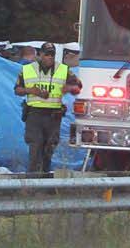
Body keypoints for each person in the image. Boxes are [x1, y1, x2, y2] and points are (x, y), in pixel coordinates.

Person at [14, 42, 81, 173]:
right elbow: (17, 90)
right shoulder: (27, 69)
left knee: (49, 147)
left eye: (52, 54)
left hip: (54, 115)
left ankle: (44, 178)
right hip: (34, 114)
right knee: (35, 145)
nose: (50, 57)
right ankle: (32, 179)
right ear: (40, 54)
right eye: (47, 54)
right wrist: (31, 91)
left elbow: (78, 87)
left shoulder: (63, 69)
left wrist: (69, 88)